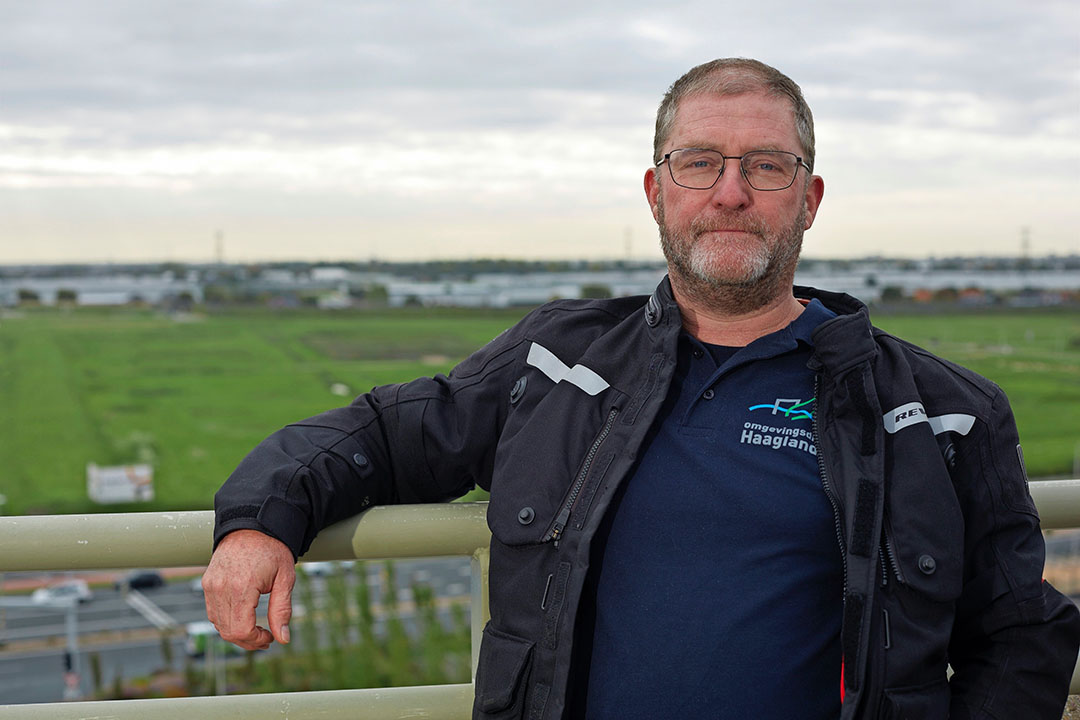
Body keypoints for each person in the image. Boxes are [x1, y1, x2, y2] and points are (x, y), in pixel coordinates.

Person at [202, 58, 1080, 719]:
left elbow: (1018, 641)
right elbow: (387, 434)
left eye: (766, 167)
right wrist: (257, 522)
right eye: (700, 163)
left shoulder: (938, 410)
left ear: (809, 199)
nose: (731, 194)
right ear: (658, 191)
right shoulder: (559, 361)